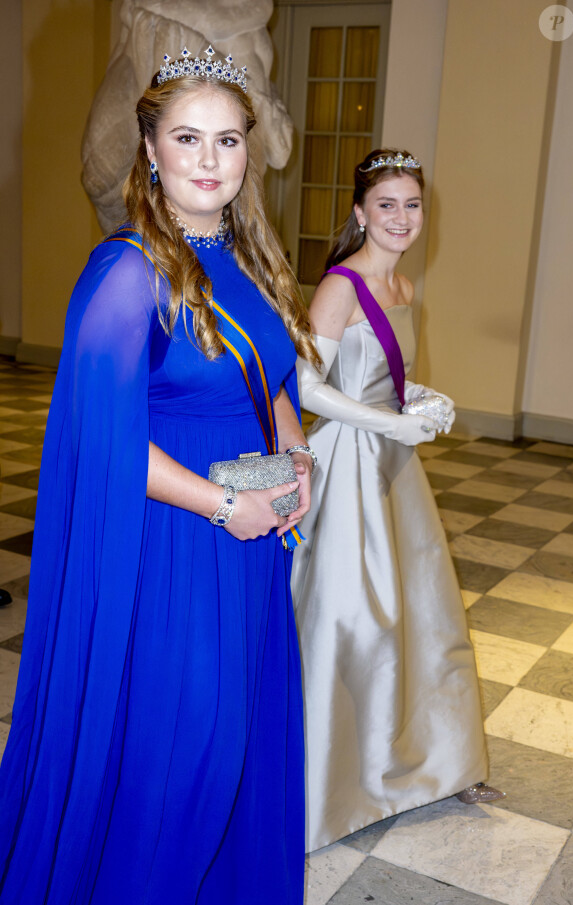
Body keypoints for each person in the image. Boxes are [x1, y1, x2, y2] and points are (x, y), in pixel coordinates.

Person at [0, 47, 319, 903]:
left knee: (241, 737)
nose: (211, 161)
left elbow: (275, 376)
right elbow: (103, 437)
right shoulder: (124, 273)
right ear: (150, 148)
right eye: (188, 138)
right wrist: (227, 505)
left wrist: (296, 455)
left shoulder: (250, 258)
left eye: (227, 140)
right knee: (186, 751)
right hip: (177, 541)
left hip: (250, 539)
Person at [291, 149, 503, 853]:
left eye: (413, 205)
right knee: (356, 620)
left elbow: (385, 379)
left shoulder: (405, 288)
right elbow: (307, 387)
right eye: (387, 204)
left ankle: (439, 764)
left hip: (394, 469)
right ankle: (330, 787)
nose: (402, 218)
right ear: (360, 213)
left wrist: (420, 399)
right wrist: (389, 421)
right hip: (349, 464)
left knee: (423, 615)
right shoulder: (340, 287)